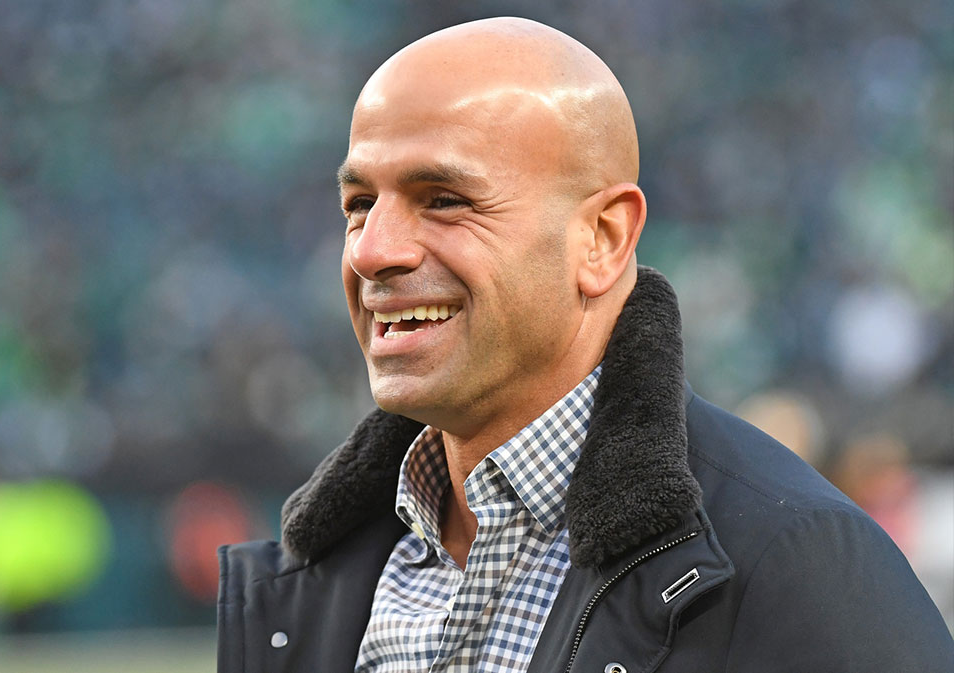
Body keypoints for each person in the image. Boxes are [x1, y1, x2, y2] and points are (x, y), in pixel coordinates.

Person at [217, 17, 954, 673]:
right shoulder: (306, 582)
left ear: (601, 239)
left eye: (443, 199)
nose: (373, 250)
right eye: (359, 205)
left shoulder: (797, 566)